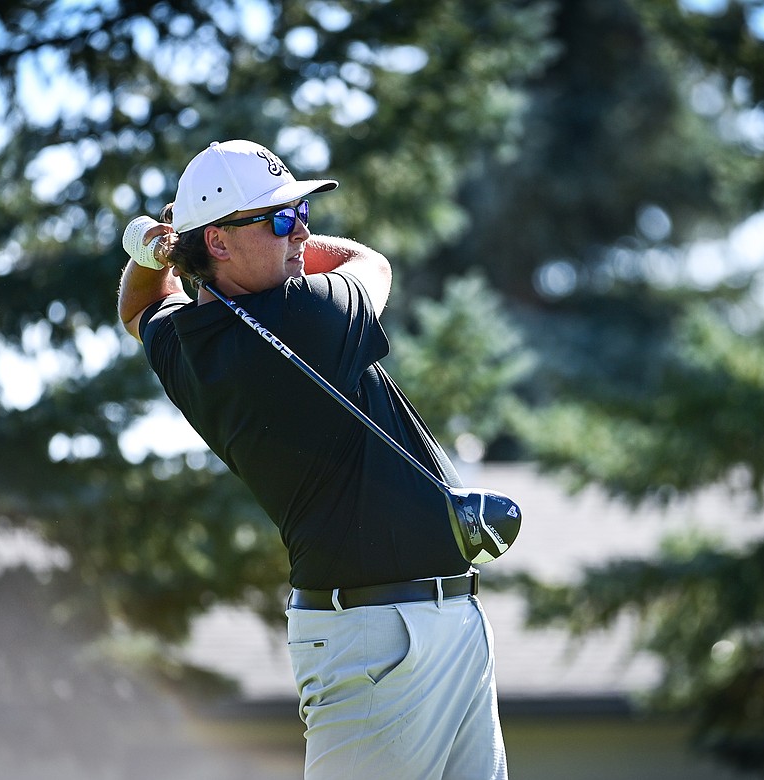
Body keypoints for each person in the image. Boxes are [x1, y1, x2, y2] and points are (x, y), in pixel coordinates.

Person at [117, 139, 507, 779]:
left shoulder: (191, 346)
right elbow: (368, 262)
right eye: (279, 219)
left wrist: (156, 252)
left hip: (427, 625)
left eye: (302, 211)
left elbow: (141, 309)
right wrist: (171, 247)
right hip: (382, 642)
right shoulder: (309, 315)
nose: (301, 231)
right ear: (217, 242)